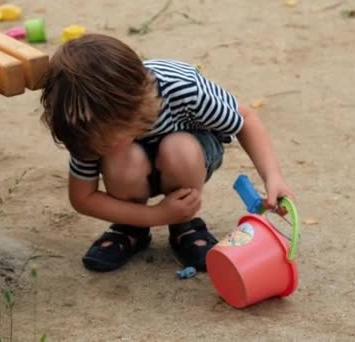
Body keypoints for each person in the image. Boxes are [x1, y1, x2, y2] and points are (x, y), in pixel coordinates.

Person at [40, 34, 294, 272]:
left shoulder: (182, 87)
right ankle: (132, 228)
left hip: (188, 155)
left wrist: (273, 176)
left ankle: (184, 224)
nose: (96, 151)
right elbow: (83, 197)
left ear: (128, 112)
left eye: (103, 144)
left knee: (178, 148)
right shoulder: (85, 121)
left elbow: (245, 118)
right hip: (133, 167)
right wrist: (154, 215)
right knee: (121, 159)